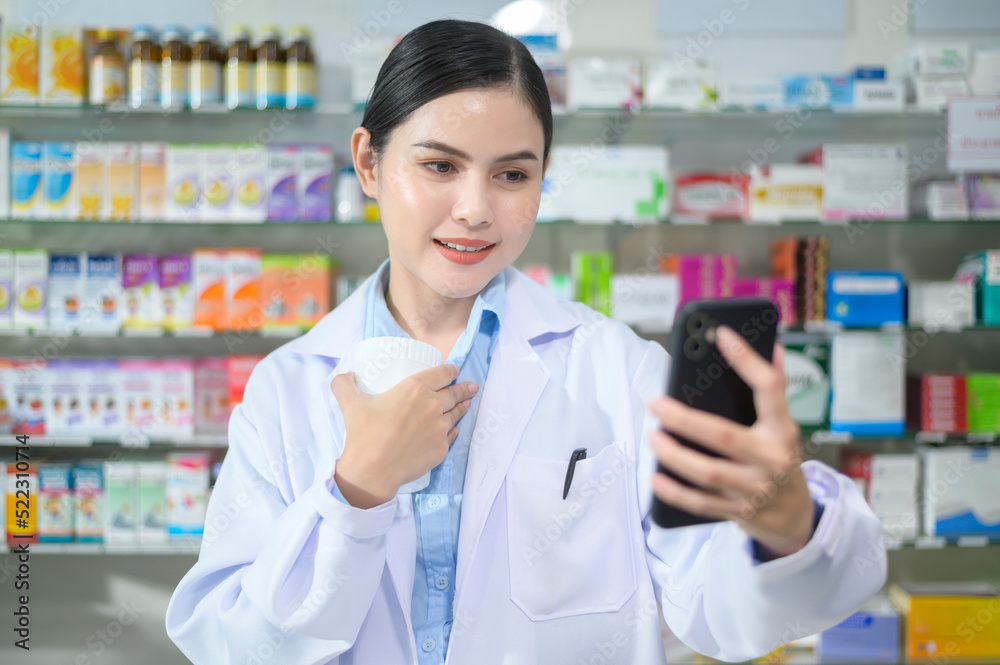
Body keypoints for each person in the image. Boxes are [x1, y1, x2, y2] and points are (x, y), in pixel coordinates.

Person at [165, 18, 886, 665]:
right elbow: (233, 645)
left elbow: (713, 613)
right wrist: (355, 492)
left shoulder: (618, 371)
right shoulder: (285, 389)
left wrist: (788, 525)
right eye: (440, 165)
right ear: (368, 164)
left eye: (512, 174)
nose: (476, 209)